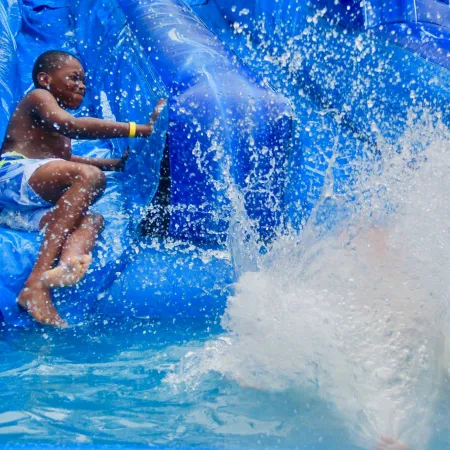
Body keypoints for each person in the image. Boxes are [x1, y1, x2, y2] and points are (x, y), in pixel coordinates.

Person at [0, 50, 166, 327]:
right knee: (89, 178)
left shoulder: (54, 124)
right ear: (45, 79)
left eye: (84, 80)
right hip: (10, 179)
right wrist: (140, 129)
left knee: (92, 219)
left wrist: (115, 163)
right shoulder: (39, 98)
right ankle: (35, 285)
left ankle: (68, 265)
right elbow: (73, 127)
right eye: (74, 78)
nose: (82, 85)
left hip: (19, 209)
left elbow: (64, 160)